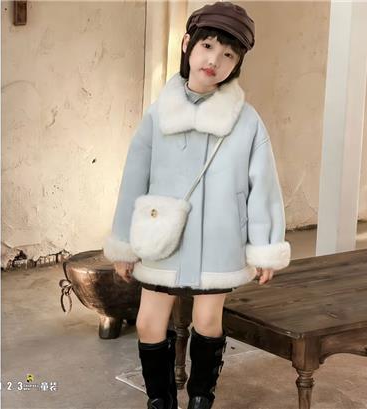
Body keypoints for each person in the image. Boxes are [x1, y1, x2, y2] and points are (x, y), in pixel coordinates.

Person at [103, 2, 291, 408]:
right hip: (162, 238)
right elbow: (133, 179)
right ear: (188, 43)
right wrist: (124, 244)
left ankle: (201, 398)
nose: (214, 60)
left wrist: (266, 246)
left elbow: (263, 186)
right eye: (207, 46)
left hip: (219, 238)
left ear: (237, 64)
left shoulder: (247, 121)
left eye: (228, 55)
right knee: (149, 322)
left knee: (207, 320)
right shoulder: (158, 115)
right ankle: (161, 401)